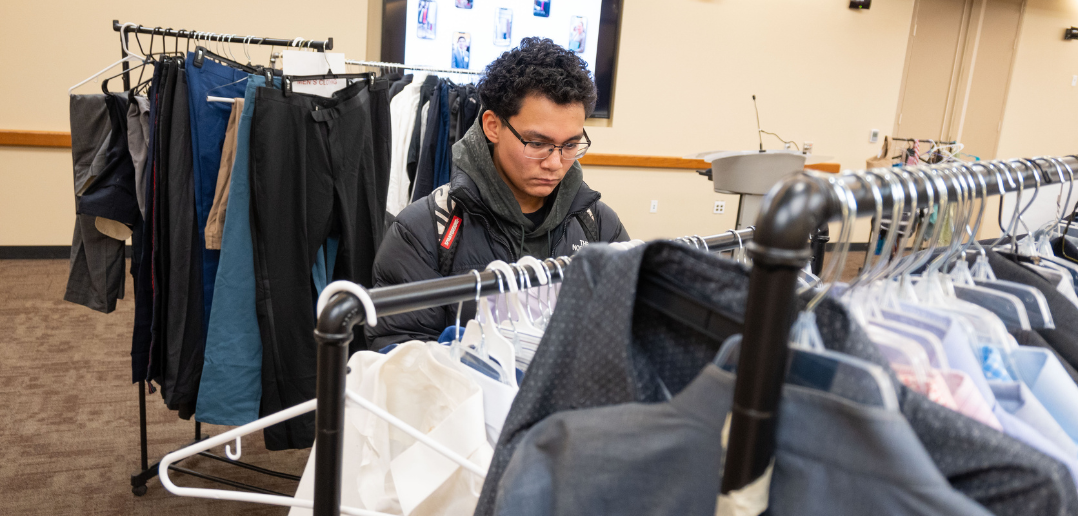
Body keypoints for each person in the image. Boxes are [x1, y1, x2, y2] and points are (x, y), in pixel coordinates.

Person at [367, 37, 628, 350]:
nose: (555, 163)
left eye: (570, 145)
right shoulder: (423, 232)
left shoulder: (598, 224)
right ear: (492, 126)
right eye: (537, 143)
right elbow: (401, 363)